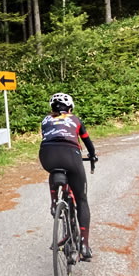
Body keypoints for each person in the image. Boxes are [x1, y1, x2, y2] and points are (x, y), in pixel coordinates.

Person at [39, 92, 97, 261]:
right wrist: (92, 155)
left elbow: (50, 136)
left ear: (52, 108)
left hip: (47, 156)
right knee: (81, 200)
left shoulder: (45, 120)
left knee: (54, 169)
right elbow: (87, 142)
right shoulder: (75, 119)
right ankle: (84, 246)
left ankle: (54, 202)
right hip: (71, 155)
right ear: (70, 108)